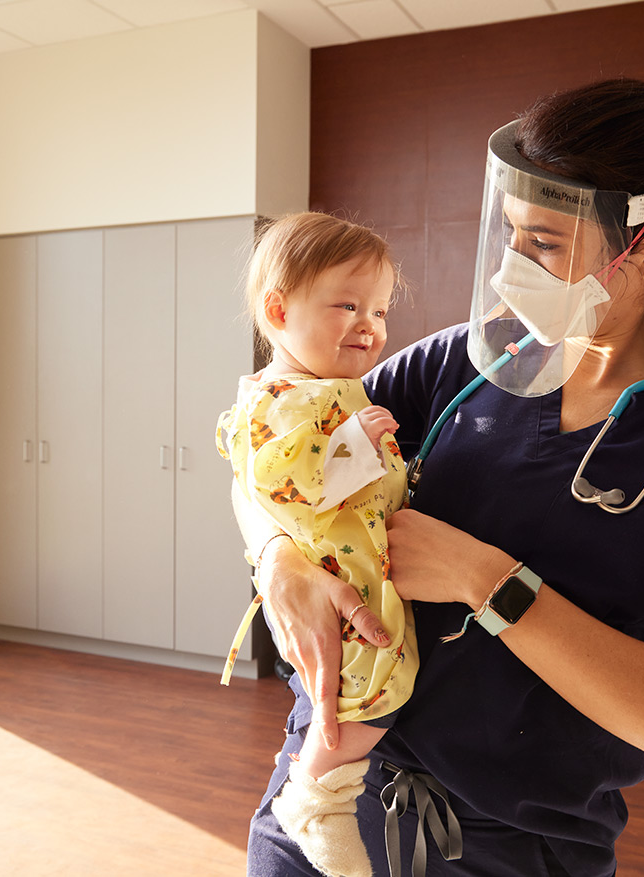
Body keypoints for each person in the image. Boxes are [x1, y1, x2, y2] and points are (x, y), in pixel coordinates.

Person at [244, 78, 644, 876]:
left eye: (545, 244)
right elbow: (272, 449)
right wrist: (275, 558)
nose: (508, 272)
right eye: (512, 234)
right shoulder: (462, 364)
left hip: (507, 849)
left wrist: (483, 578)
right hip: (322, 805)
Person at [217, 212, 419, 877]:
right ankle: (317, 795)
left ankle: (320, 790)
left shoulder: (331, 390)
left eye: (381, 309)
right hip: (341, 586)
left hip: (364, 575)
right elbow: (285, 479)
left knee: (381, 692)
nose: (372, 324)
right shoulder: (279, 398)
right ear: (279, 310)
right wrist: (358, 444)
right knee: (367, 699)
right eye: (349, 305)